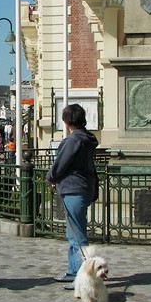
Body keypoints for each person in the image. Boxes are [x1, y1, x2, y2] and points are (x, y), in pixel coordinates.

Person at [45, 103, 99, 286]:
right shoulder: (87, 138)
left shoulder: (73, 140)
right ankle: (73, 271)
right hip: (84, 187)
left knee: (77, 236)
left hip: (74, 189)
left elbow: (61, 163)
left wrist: (51, 176)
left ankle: (84, 278)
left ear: (67, 121)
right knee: (72, 233)